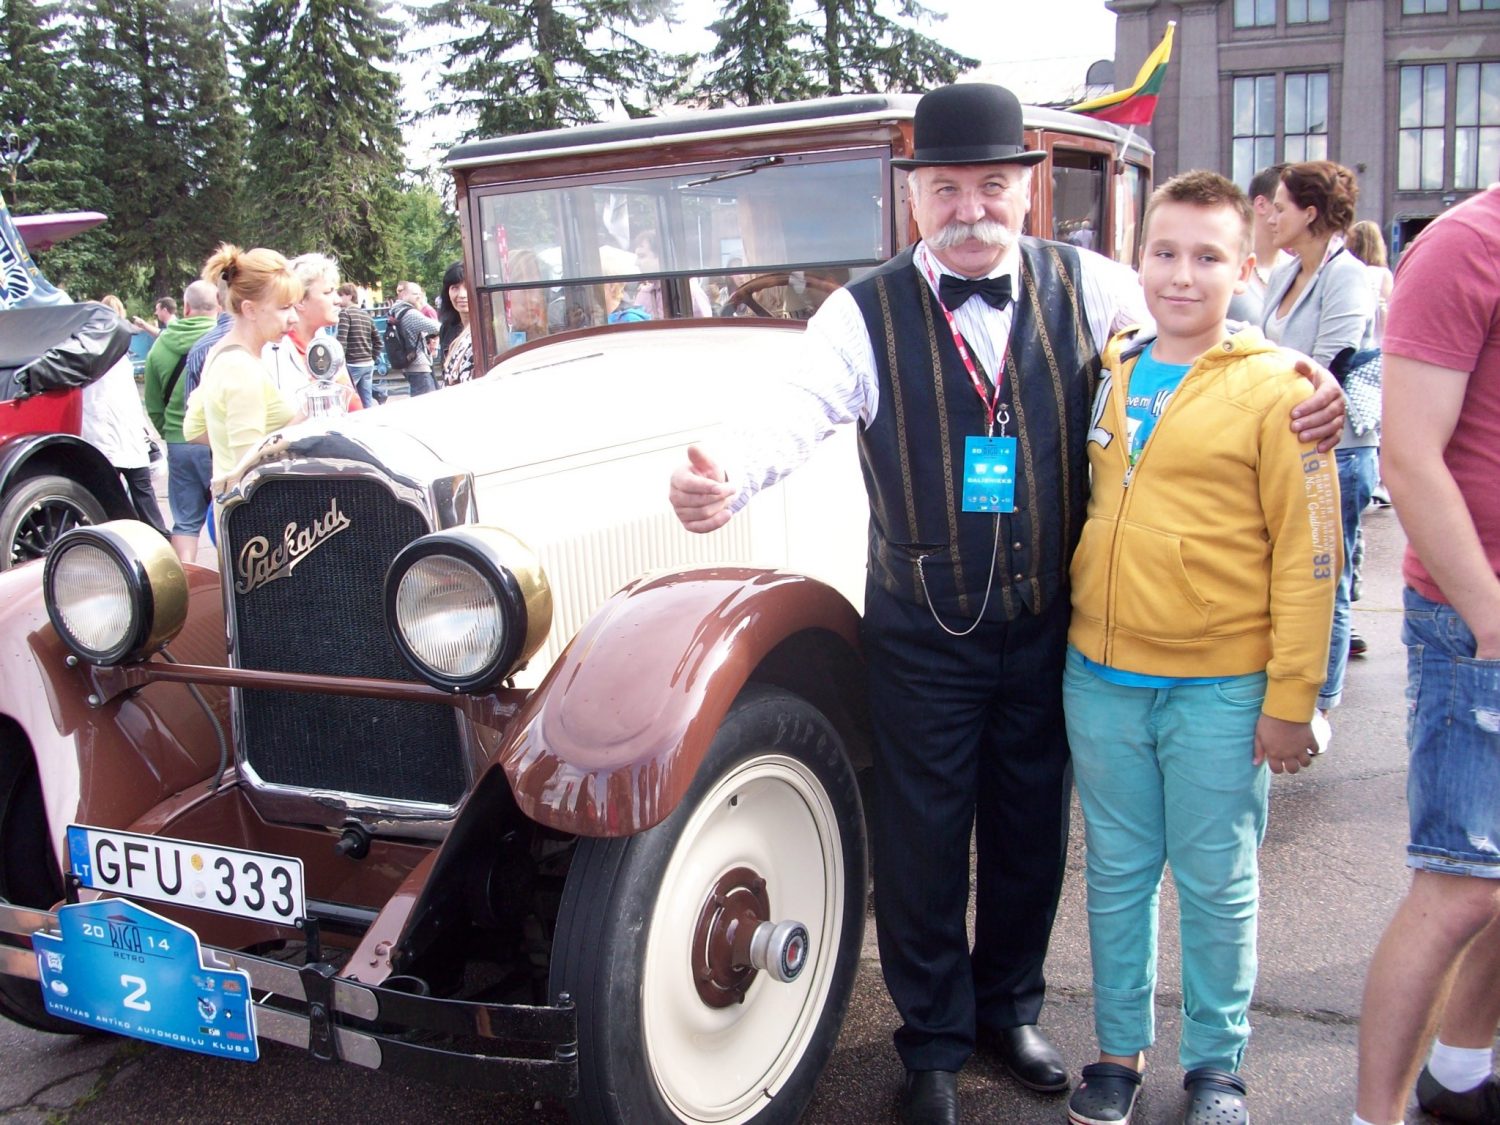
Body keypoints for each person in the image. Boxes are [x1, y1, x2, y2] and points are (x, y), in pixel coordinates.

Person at [666, 82, 1346, 1125]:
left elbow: (1205, 339)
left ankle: (1010, 1010)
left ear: (1027, 189)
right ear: (913, 198)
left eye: (991, 184)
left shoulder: (1097, 284)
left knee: (1032, 834)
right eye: (946, 189)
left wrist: (1305, 378)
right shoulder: (861, 313)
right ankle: (932, 1043)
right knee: (924, 843)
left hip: (1048, 629)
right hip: (921, 630)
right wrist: (727, 477)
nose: (969, 208)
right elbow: (791, 414)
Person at [1061, 171, 1339, 1125]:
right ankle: (1116, 1053)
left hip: (1219, 686)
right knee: (1117, 876)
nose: (1183, 275)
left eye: (1209, 256)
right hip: (1100, 677)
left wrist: (1293, 698)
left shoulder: (1280, 389)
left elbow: (1309, 554)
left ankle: (1217, 1064)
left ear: (1246, 269)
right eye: (1166, 253)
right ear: (1137, 261)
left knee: (1218, 884)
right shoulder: (1114, 363)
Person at [1351, 183, 1500, 1125]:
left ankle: (1462, 1069)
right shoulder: (1468, 245)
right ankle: (1374, 1116)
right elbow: (1408, 454)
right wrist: (1491, 620)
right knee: (1458, 890)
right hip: (1473, 617)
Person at [1259, 160, 1375, 752]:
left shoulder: (1346, 275)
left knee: (1328, 574)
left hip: (1336, 449)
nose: (1271, 217)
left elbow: (1331, 366)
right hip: (1284, 440)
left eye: (1280, 207)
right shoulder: (1285, 274)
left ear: (1309, 213)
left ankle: (1320, 703)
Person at [182, 245, 303, 490]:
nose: (294, 317)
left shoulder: (220, 352)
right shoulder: (241, 368)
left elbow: (193, 429)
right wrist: (306, 418)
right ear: (249, 309)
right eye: (284, 307)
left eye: (294, 306)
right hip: (254, 505)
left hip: (230, 500)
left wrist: (226, 445)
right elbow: (249, 465)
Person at [143, 279, 219, 562]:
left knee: (185, 523)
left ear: (186, 307)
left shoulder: (160, 346)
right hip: (217, 442)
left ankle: (186, 582)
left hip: (179, 442)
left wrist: (171, 433)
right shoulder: (223, 340)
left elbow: (153, 404)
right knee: (229, 515)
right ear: (219, 306)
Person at [80, 319, 170, 538]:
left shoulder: (89, 361)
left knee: (114, 497)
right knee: (142, 493)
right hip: (124, 435)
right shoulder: (120, 359)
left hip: (106, 437)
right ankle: (157, 537)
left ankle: (132, 538)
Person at [263, 253, 361, 413]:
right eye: (328, 292)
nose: (337, 300)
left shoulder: (328, 344)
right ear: (300, 301)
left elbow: (352, 404)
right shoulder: (271, 353)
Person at [388, 281, 441, 396]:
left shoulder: (396, 311)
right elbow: (437, 328)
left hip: (409, 363)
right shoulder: (411, 313)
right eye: (415, 294)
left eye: (420, 294)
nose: (419, 297)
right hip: (419, 365)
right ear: (405, 295)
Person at [335, 282, 379, 407]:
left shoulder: (345, 313)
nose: (338, 299)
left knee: (344, 400)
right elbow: (378, 341)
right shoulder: (366, 315)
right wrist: (372, 357)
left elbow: (341, 341)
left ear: (349, 296)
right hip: (368, 363)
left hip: (352, 363)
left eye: (340, 295)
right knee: (367, 401)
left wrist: (339, 364)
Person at [435, 261, 474, 385]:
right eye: (455, 288)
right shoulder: (447, 328)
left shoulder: (490, 328)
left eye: (467, 286)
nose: (462, 295)